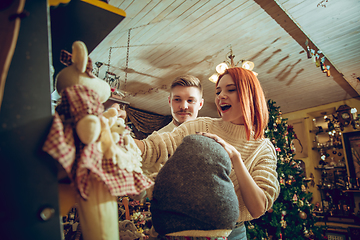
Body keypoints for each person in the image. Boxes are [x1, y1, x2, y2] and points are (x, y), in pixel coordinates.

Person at [135, 67, 280, 239]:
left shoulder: (263, 148)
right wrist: (118, 140)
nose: (221, 96)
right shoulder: (201, 126)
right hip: (186, 227)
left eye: (230, 89)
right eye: (218, 91)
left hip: (233, 232)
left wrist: (235, 158)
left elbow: (257, 208)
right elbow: (157, 146)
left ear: (249, 94)